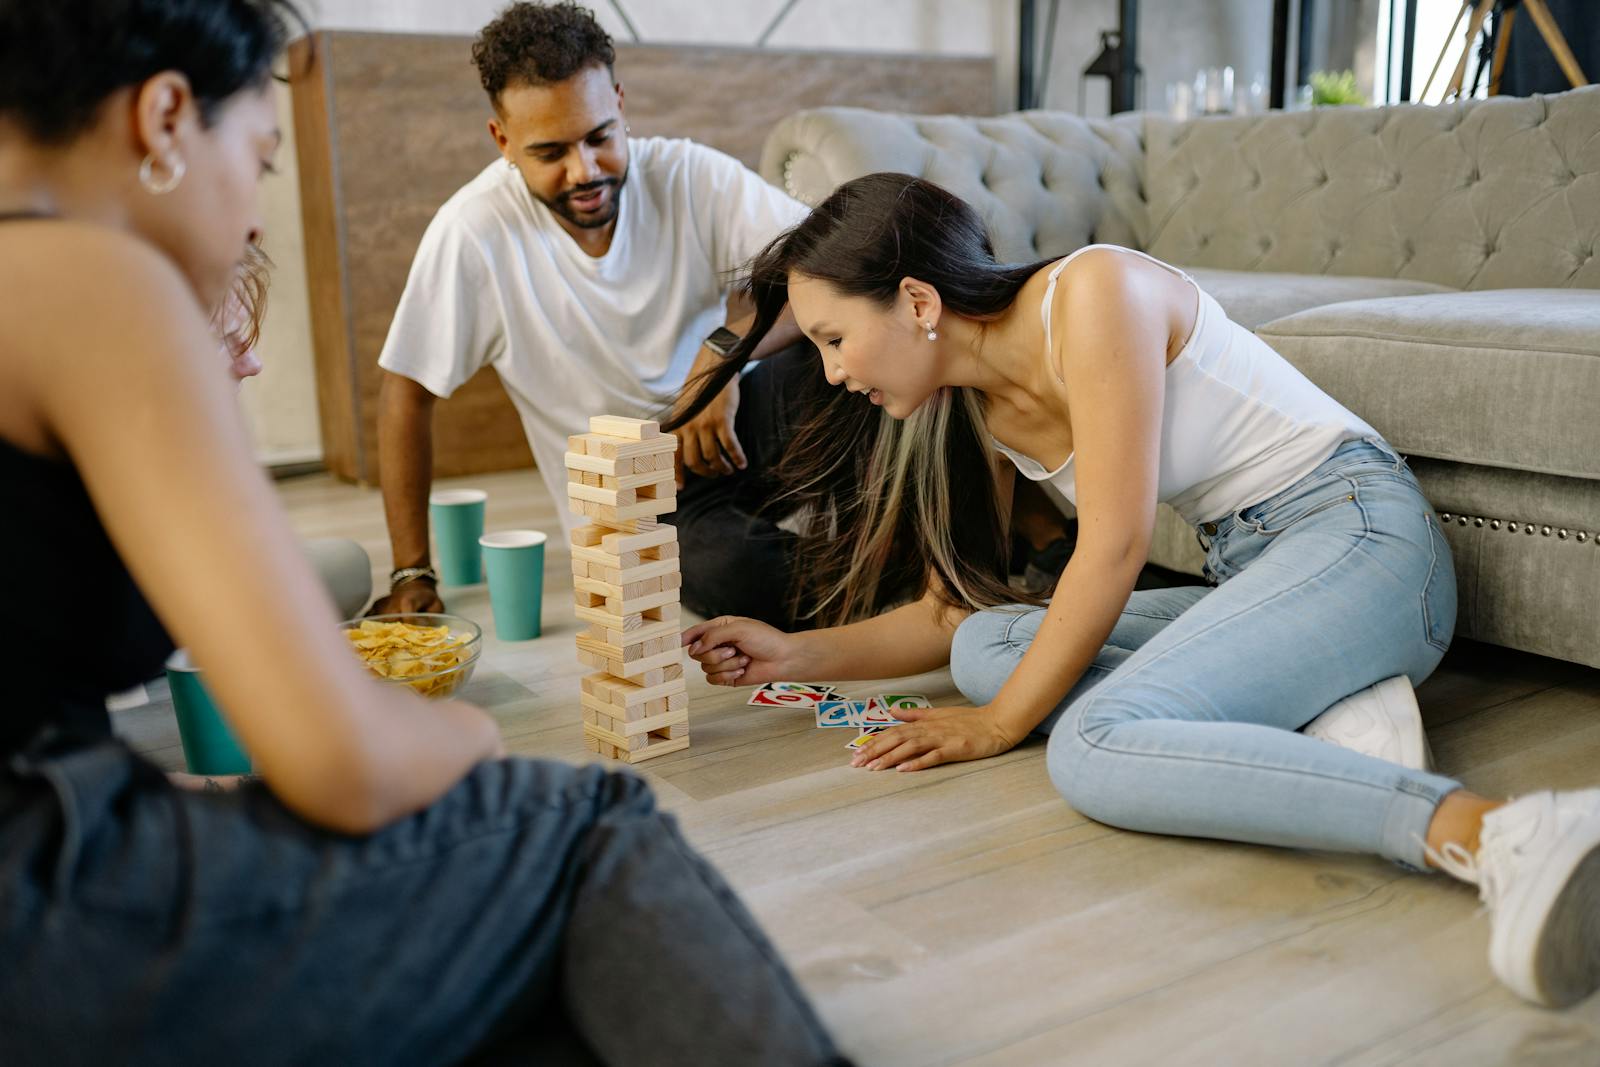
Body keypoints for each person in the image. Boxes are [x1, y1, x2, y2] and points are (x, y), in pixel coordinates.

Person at [0, 2, 846, 1062]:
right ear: (166, 119)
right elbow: (346, 763)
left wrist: (724, 354)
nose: (253, 221)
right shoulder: (94, 283)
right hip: (45, 915)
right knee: (586, 822)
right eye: (261, 160)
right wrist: (466, 735)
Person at [676, 173, 1600, 1010]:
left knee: (1093, 742)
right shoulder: (970, 410)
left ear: (916, 299)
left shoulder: (1092, 293)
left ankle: (1503, 832)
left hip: (1363, 535)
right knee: (985, 647)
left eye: (836, 339)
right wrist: (794, 653)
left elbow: (1113, 548)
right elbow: (948, 610)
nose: (833, 372)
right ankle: (1318, 703)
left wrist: (996, 730)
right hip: (1256, 571)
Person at [369, 1, 828, 626]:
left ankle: (924, 552)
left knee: (848, 353)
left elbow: (826, 267)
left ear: (619, 102)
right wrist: (411, 571)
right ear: (502, 140)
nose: (584, 171)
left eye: (599, 137)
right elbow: (406, 392)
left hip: (728, 424)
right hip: (632, 506)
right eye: (550, 151)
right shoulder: (473, 232)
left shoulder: (689, 174)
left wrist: (722, 355)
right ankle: (889, 577)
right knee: (726, 574)